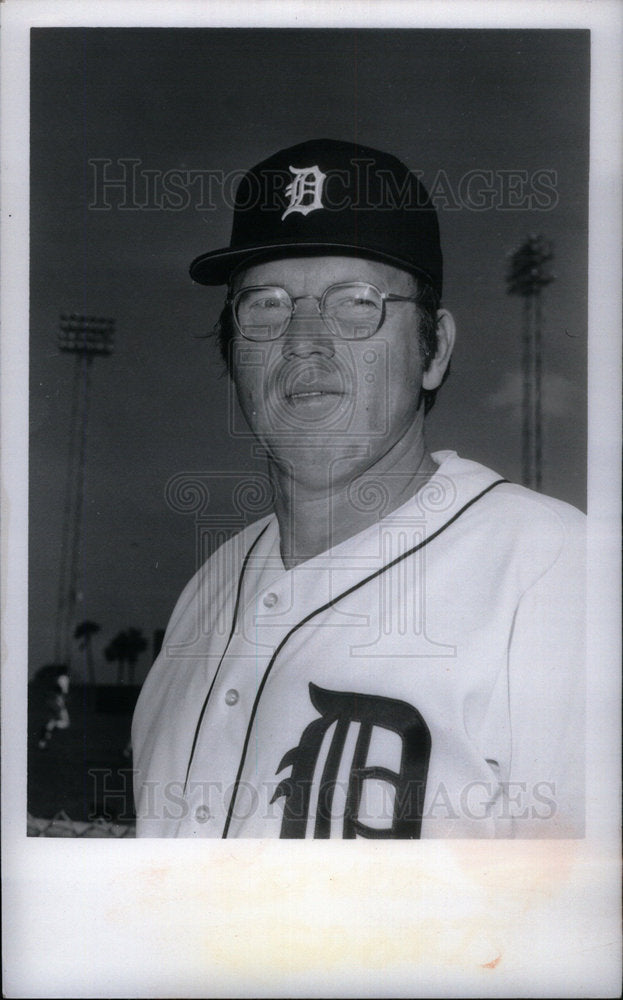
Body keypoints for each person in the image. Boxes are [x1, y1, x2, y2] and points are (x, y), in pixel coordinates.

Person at [132, 139, 585, 839]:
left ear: (432, 348)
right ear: (231, 350)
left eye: (356, 304)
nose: (304, 341)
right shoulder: (205, 591)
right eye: (266, 306)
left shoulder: (556, 573)